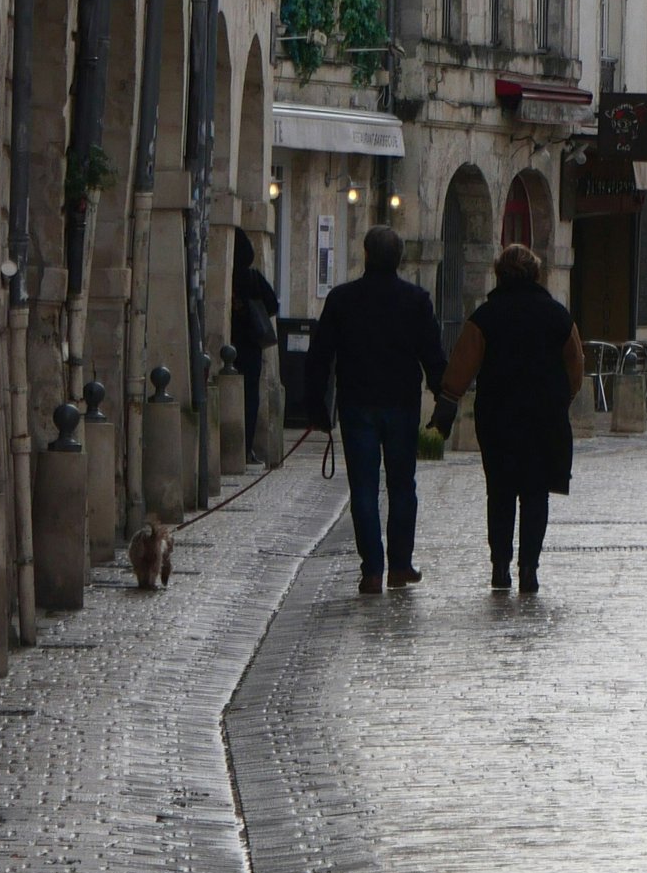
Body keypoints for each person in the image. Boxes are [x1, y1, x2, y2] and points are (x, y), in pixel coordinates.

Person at [438, 241, 583, 594]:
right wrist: (562, 398)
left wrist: (448, 399)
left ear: (500, 274)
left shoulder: (486, 316)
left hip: (499, 415)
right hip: (544, 417)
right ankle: (529, 568)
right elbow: (575, 365)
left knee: (500, 492)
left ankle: (500, 566)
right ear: (536, 274)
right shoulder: (558, 316)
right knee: (536, 493)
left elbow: (462, 366)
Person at [307, 225, 445, 595]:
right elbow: (433, 355)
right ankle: (399, 565)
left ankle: (372, 569)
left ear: (366, 255)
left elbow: (320, 357)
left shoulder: (342, 299)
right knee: (402, 485)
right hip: (401, 403)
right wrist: (444, 399)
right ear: (398, 258)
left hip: (357, 403)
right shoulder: (416, 300)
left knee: (364, 488)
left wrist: (317, 405)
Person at [230, 232, 279, 454]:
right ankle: (246, 446)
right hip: (251, 345)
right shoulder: (252, 277)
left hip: (233, 342)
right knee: (250, 396)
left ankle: (235, 445)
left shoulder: (229, 277)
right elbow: (272, 305)